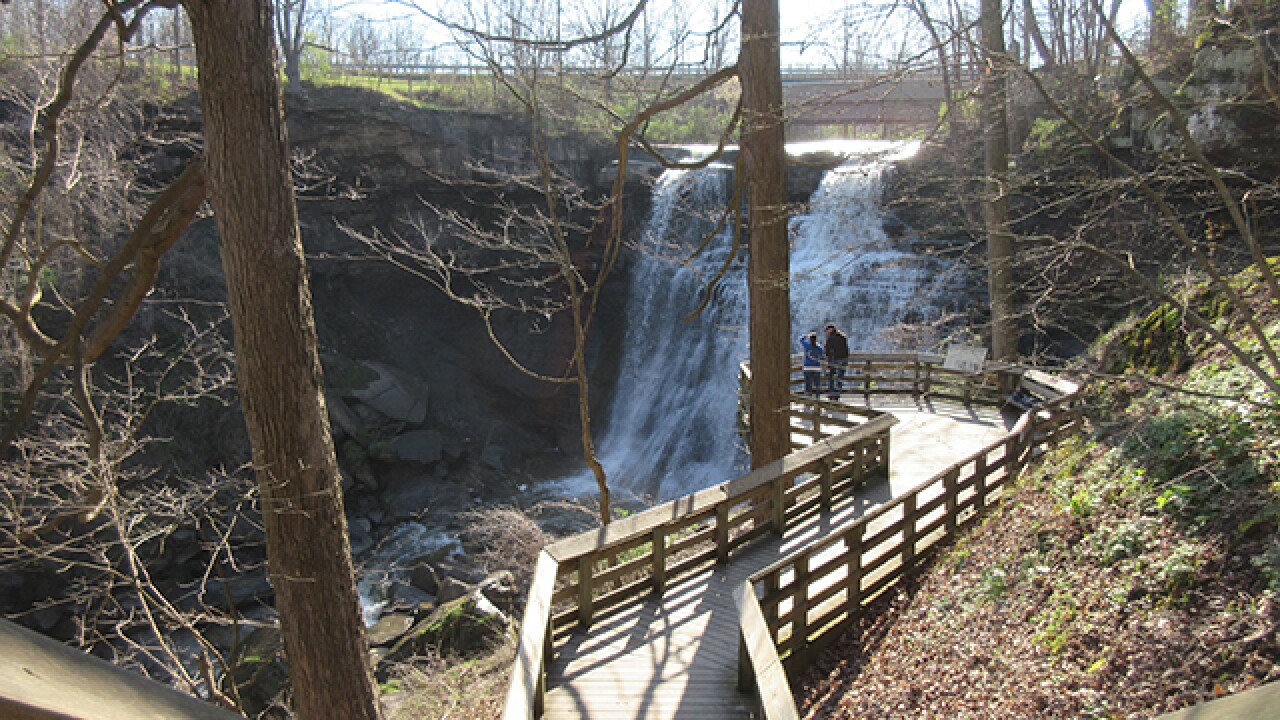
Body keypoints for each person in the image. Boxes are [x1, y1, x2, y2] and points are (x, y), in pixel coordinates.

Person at [824, 323, 849, 400]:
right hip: (844, 359)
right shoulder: (843, 336)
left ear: (830, 329)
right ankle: (837, 394)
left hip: (835, 359)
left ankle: (832, 394)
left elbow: (827, 349)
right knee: (840, 377)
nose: (827, 332)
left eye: (827, 330)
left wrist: (828, 361)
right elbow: (846, 349)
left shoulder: (831, 337)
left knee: (832, 377)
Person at [798, 332, 824, 398]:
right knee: (817, 385)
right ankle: (817, 399)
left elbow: (801, 340)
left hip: (807, 368)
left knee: (808, 385)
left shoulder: (807, 346)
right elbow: (822, 357)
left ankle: (808, 400)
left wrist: (806, 335)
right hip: (817, 368)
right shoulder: (819, 348)